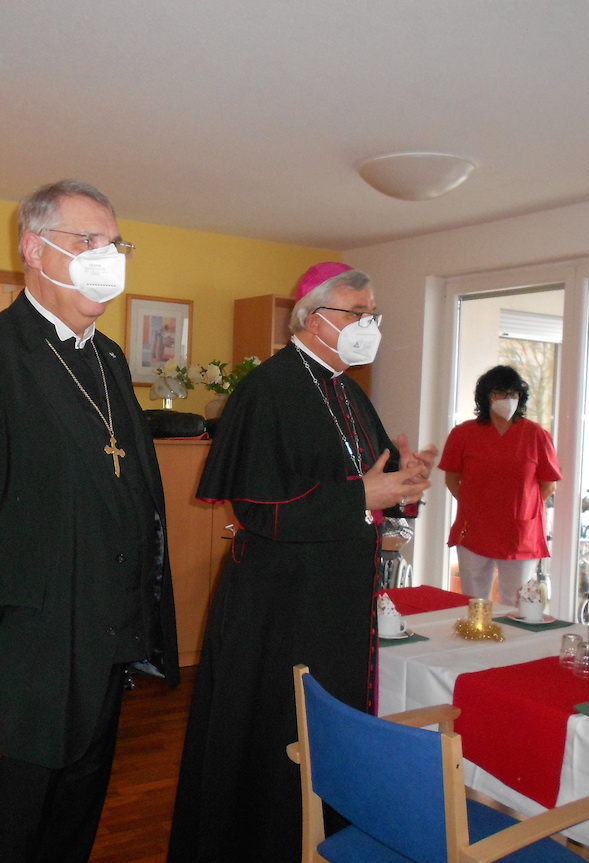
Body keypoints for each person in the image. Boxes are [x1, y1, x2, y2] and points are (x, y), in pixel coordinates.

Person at [0, 179, 179, 863]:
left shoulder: (109, 359)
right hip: (16, 673)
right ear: (32, 248)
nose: (104, 256)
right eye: (86, 241)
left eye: (114, 244)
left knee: (67, 837)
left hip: (101, 660)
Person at [166, 262, 436, 863]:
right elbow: (260, 509)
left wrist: (405, 486)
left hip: (336, 598)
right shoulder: (269, 389)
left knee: (331, 734)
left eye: (374, 314)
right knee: (273, 736)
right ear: (316, 321)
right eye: (357, 313)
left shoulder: (348, 390)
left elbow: (374, 486)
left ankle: (325, 839)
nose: (369, 324)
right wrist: (363, 496)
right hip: (279, 606)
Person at [439, 365, 561, 605]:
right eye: (500, 393)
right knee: (474, 602)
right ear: (486, 396)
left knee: (515, 603)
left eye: (513, 394)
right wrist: (474, 503)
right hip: (474, 528)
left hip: (520, 532)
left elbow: (549, 485)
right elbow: (452, 478)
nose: (507, 400)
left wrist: (521, 506)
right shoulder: (464, 433)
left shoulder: (536, 435)